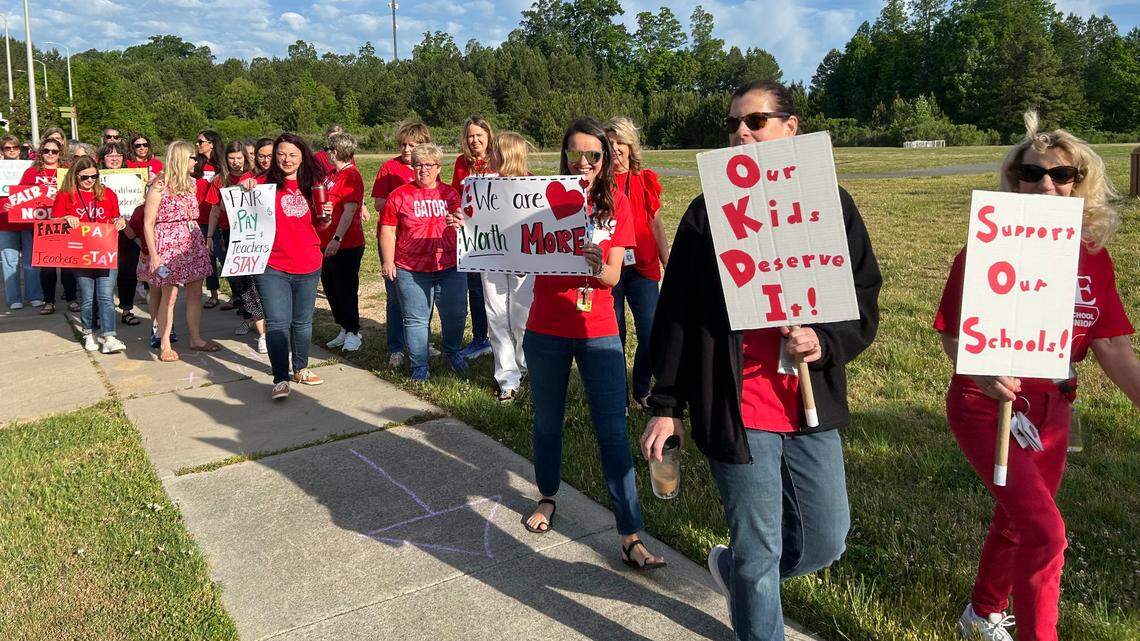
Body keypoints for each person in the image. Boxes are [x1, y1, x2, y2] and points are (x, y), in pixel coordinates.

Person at [640, 80, 881, 641]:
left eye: (756, 121)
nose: (741, 133)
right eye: (733, 125)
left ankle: (737, 572)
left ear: (790, 127)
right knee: (760, 548)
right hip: (737, 405)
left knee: (826, 539)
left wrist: (823, 340)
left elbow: (863, 294)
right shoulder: (707, 214)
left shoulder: (829, 203)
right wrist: (667, 404)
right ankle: (751, 587)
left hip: (806, 403)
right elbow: (677, 313)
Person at [934, 113, 1139, 641]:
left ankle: (981, 614)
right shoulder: (981, 251)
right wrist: (980, 372)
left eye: (1062, 174)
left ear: (1079, 184)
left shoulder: (1093, 257)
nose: (1046, 184)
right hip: (987, 405)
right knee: (1046, 533)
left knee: (1019, 519)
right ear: (1013, 181)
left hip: (1053, 408)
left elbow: (1113, 346)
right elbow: (954, 334)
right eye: (1031, 173)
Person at [519, 118, 665, 571]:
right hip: (546, 328)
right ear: (562, 155)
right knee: (547, 421)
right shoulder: (537, 199)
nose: (583, 164)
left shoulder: (616, 201)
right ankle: (547, 497)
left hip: (598, 329)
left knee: (613, 431)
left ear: (605, 161)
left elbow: (611, 277)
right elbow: (504, 240)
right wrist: (470, 225)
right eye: (574, 154)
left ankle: (629, 533)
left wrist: (589, 255)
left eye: (593, 156)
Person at [379, 143, 467, 382]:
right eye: (418, 164)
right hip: (411, 268)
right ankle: (419, 365)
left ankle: (453, 351)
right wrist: (388, 261)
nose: (423, 169)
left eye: (429, 165)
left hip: (449, 266)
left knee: (456, 314)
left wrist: (460, 222)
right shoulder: (399, 195)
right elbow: (387, 230)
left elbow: (467, 225)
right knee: (415, 318)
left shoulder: (450, 194)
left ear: (438, 167)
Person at [253, 132, 329, 399]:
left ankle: (301, 368)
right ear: (274, 156)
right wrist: (245, 190)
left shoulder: (313, 186)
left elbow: (320, 225)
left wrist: (327, 218)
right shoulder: (260, 185)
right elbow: (242, 214)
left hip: (308, 261)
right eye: (281, 154)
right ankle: (280, 378)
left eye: (293, 154)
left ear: (302, 157)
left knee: (302, 322)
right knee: (276, 323)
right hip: (272, 264)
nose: (286, 159)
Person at [604, 117, 668, 410]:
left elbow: (656, 224)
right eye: (610, 144)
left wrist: (669, 262)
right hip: (611, 269)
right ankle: (620, 396)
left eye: (621, 144)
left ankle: (641, 388)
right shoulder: (599, 182)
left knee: (651, 331)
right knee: (614, 333)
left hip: (643, 267)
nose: (615, 150)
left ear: (631, 146)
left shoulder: (644, 179)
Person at [141, 140, 220, 362]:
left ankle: (195, 338)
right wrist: (154, 255)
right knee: (170, 295)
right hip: (168, 243)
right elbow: (148, 223)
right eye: (192, 157)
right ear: (181, 159)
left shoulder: (193, 183)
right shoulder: (158, 185)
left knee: (195, 292)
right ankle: (165, 342)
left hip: (192, 241)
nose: (196, 161)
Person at [51, 156, 127, 353]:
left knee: (106, 296)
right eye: (85, 177)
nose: (90, 180)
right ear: (76, 176)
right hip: (80, 254)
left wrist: (120, 221)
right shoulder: (66, 195)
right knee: (87, 297)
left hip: (105, 251)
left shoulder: (107, 193)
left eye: (94, 176)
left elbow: (114, 217)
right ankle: (88, 332)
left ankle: (109, 335)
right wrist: (66, 218)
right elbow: (53, 223)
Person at [372, 121, 431, 367]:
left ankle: (421, 343)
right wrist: (405, 205)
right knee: (396, 295)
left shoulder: (428, 167)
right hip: (395, 239)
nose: (407, 149)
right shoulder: (389, 167)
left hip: (421, 242)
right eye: (403, 145)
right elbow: (377, 203)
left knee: (423, 295)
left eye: (412, 145)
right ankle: (396, 347)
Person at [482, 131, 535, 402]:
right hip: (490, 258)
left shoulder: (533, 186)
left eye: (494, 151)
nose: (489, 155)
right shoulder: (482, 185)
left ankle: (525, 367)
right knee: (496, 317)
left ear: (506, 154)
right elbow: (472, 219)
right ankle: (507, 378)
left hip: (524, 262)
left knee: (521, 318)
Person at [205, 141, 266, 351]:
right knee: (241, 281)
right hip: (232, 234)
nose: (236, 162)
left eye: (240, 157)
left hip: (257, 235)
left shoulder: (257, 177)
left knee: (260, 280)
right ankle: (252, 318)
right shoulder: (219, 180)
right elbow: (214, 210)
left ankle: (265, 327)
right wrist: (210, 236)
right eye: (232, 158)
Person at [452, 115, 496, 361]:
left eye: (479, 135)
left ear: (489, 136)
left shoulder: (499, 158)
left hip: (500, 236)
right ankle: (481, 338)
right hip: (471, 237)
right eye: (470, 135)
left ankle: (506, 336)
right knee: (476, 289)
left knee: (499, 290)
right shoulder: (461, 162)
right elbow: (456, 195)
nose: (475, 140)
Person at [318, 132, 366, 353]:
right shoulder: (331, 175)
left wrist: (337, 238)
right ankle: (344, 327)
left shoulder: (351, 176)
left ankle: (353, 330)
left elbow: (349, 211)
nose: (326, 154)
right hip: (326, 240)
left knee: (346, 288)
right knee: (331, 286)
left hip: (347, 243)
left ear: (335, 152)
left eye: (328, 150)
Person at [26, 138, 76, 315]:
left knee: (68, 263)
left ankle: (71, 299)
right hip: (42, 224)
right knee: (47, 265)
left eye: (54, 151)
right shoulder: (31, 173)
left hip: (65, 221)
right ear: (41, 153)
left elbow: (76, 194)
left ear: (60, 153)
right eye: (46, 151)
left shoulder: (67, 172)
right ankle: (49, 301)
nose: (50, 154)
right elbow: (21, 196)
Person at [98, 141, 143, 327]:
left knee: (128, 273)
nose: (114, 159)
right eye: (110, 155)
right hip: (102, 234)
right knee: (104, 277)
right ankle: (102, 313)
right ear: (102, 159)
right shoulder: (96, 178)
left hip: (128, 231)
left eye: (118, 155)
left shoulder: (134, 176)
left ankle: (126, 309)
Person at [0, 134, 42, 310]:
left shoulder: (29, 169)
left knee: (31, 261)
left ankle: (34, 295)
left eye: (14, 147)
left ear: (20, 150)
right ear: (2, 151)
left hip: (27, 220)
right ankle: (13, 298)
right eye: (7, 148)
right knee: (10, 262)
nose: (11, 151)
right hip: (5, 222)